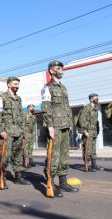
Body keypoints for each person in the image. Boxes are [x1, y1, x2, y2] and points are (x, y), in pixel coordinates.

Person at [41, 60, 79, 198]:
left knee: (64, 155)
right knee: (54, 156)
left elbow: (67, 107)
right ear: (51, 71)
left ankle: (63, 182)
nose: (61, 70)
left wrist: (70, 123)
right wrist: (50, 126)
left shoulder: (63, 87)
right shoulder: (47, 88)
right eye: (58, 68)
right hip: (55, 126)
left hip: (65, 126)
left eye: (62, 68)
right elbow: (46, 108)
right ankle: (50, 183)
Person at [0, 77, 31, 189]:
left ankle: (18, 177)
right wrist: (1, 130)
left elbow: (21, 115)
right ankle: (2, 177)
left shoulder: (18, 99)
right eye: (15, 84)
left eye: (18, 84)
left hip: (18, 131)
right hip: (7, 131)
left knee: (18, 155)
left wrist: (23, 132)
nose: (17, 86)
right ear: (9, 84)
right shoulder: (2, 97)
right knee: (5, 156)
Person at [77, 93, 103, 171]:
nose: (97, 99)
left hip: (94, 132)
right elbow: (82, 120)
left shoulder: (95, 109)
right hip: (88, 132)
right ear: (91, 99)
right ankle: (87, 166)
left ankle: (94, 165)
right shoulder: (86, 108)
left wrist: (97, 130)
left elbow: (96, 121)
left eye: (97, 98)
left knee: (93, 149)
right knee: (87, 150)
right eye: (96, 98)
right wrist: (84, 131)